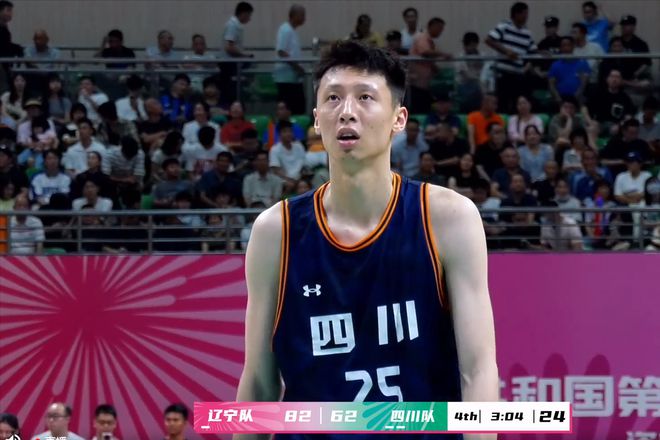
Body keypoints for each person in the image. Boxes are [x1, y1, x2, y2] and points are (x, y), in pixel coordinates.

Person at [235, 41, 498, 440]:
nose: (346, 111)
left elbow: (477, 370)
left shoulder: (448, 219)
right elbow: (258, 382)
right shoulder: (276, 231)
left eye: (365, 97)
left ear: (399, 118)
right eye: (333, 98)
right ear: (317, 119)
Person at [486, 2, 537, 114]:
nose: (526, 17)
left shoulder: (527, 32)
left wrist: (542, 52)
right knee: (502, 104)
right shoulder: (504, 26)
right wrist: (506, 51)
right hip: (503, 73)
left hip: (518, 73)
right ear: (516, 14)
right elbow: (489, 40)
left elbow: (532, 49)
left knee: (516, 104)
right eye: (524, 14)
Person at [408, 17, 449, 114]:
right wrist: (443, 54)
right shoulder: (422, 37)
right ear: (432, 26)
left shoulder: (430, 40)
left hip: (425, 83)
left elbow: (427, 60)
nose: (441, 31)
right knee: (419, 109)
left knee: (426, 107)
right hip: (416, 83)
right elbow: (425, 52)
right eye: (439, 28)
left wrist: (435, 68)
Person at [219, 2, 254, 106]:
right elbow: (229, 47)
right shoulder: (232, 25)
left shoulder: (236, 26)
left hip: (231, 64)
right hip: (228, 65)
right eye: (249, 15)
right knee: (229, 94)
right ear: (243, 13)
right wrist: (244, 56)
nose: (249, 19)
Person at [274, 4, 306, 115]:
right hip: (285, 78)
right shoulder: (285, 30)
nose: (304, 18)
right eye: (302, 15)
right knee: (289, 108)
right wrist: (297, 67)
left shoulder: (292, 31)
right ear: (294, 15)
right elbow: (281, 51)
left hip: (292, 78)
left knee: (298, 107)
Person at [548, 36, 590, 105]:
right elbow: (551, 84)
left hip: (578, 97)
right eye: (563, 46)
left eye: (568, 45)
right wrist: (558, 98)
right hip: (561, 98)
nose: (566, 48)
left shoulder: (582, 63)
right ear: (560, 48)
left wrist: (575, 97)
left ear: (573, 46)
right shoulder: (555, 65)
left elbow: (584, 83)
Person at [268, 120, 306, 191]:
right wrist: (290, 180)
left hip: (299, 179)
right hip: (283, 179)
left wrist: (298, 179)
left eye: (290, 131)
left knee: (303, 185)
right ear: (279, 134)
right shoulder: (275, 149)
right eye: (285, 132)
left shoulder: (299, 146)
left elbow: (303, 166)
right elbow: (276, 171)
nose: (288, 134)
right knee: (287, 184)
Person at [455, 32, 484, 113]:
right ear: (465, 45)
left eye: (474, 45)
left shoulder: (482, 56)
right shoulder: (460, 57)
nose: (472, 48)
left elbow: (485, 72)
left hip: (478, 87)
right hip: (464, 86)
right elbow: (467, 75)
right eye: (470, 45)